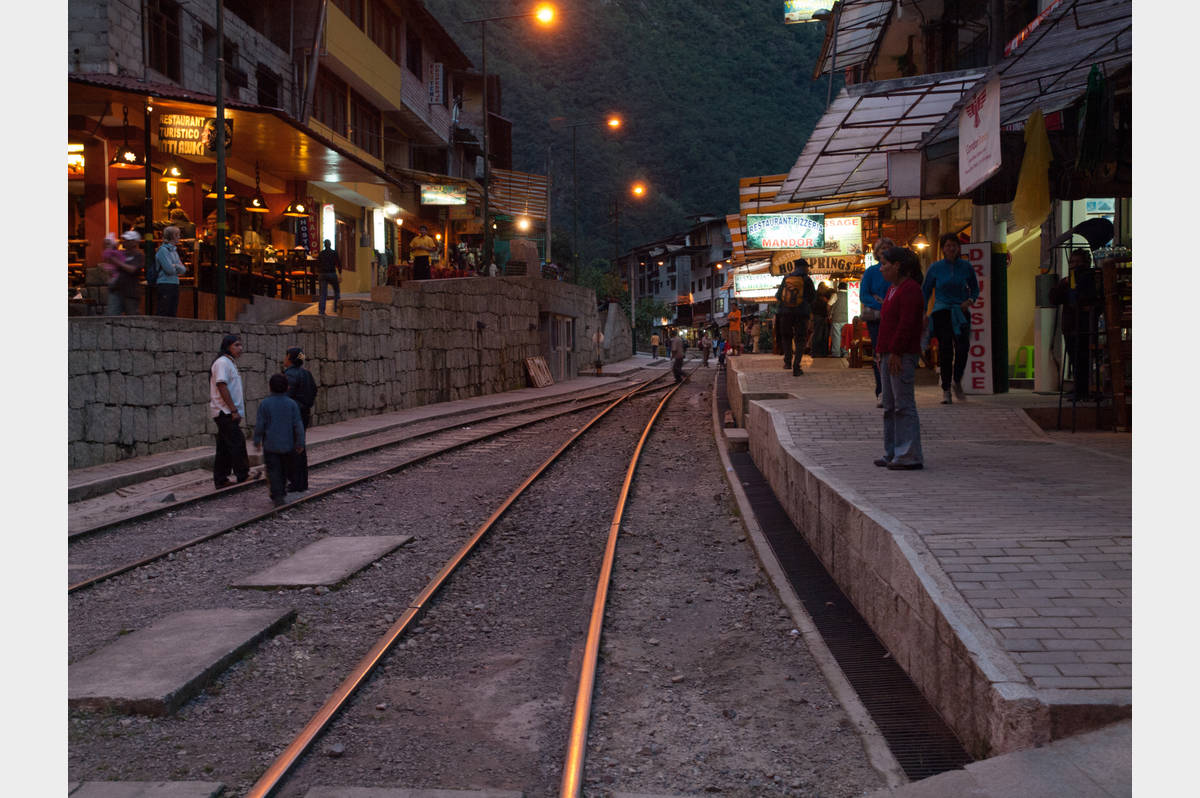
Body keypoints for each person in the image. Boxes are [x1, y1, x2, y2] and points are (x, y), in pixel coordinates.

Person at [875, 247, 925, 471]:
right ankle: (892, 452)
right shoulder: (892, 289)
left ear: (898, 266)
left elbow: (907, 324)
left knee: (903, 404)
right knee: (889, 405)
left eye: (885, 263)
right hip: (888, 353)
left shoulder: (911, 290)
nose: (881, 268)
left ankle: (909, 454)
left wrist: (895, 351)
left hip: (900, 354)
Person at [923, 233, 979, 404]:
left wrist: (970, 300)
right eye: (947, 245)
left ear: (958, 247)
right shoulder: (935, 268)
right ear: (942, 249)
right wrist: (923, 313)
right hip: (941, 313)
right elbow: (925, 291)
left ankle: (957, 380)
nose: (951, 248)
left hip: (960, 312)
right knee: (946, 350)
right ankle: (946, 389)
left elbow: (975, 289)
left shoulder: (966, 267)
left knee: (963, 348)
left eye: (954, 245)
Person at [1048, 248, 1100, 401]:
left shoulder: (1090, 278)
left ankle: (1084, 390)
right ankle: (1079, 388)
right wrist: (1062, 285)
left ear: (1085, 263)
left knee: (1084, 359)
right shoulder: (1068, 280)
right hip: (1070, 326)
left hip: (1085, 326)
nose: (1074, 265)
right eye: (1072, 262)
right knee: (1075, 359)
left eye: (1078, 262)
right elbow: (1054, 299)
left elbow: (1092, 299)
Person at [253, 373, 306, 507]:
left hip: (270, 445)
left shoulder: (265, 404)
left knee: (273, 470)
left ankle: (277, 494)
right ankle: (281, 491)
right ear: (287, 387)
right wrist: (300, 442)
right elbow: (298, 425)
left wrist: (257, 440)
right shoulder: (292, 404)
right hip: (288, 445)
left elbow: (260, 424)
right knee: (284, 470)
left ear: (270, 387)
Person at [211, 334, 251, 488]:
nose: (240, 348)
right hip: (224, 411)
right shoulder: (222, 363)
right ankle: (243, 474)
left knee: (224, 447)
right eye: (236, 345)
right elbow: (222, 385)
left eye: (240, 345)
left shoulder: (230, 363)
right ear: (227, 346)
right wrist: (233, 409)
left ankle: (221, 479)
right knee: (237, 442)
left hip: (227, 411)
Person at [861, 238, 894, 407]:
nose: (884, 251)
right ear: (876, 253)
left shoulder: (897, 271)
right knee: (879, 354)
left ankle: (892, 390)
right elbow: (864, 294)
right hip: (876, 319)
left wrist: (888, 305)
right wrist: (879, 306)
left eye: (888, 248)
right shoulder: (871, 272)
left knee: (894, 352)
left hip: (894, 317)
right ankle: (881, 390)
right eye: (882, 249)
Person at [282, 346, 318, 492]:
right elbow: (314, 391)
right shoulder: (307, 374)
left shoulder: (289, 375)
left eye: (286, 356)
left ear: (290, 358)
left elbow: (285, 397)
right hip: (304, 414)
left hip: (292, 416)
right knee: (300, 447)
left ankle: (295, 482)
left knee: (292, 449)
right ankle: (302, 481)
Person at [774, 259, 816, 376]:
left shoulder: (786, 279)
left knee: (787, 338)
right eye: (807, 267)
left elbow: (778, 296)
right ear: (804, 268)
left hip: (785, 313)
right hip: (801, 314)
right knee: (800, 339)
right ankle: (796, 366)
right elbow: (813, 297)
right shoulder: (807, 280)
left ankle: (787, 362)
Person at [153, 226, 187, 317]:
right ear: (172, 236)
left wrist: (175, 266)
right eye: (178, 235)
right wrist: (177, 266)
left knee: (172, 311)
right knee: (164, 311)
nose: (179, 237)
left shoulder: (174, 251)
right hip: (165, 284)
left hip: (175, 283)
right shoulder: (163, 251)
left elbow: (183, 270)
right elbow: (169, 270)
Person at [104, 233, 141, 316]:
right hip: (117, 290)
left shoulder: (138, 255)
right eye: (124, 240)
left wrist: (116, 261)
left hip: (131, 292)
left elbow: (132, 269)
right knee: (111, 316)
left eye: (127, 240)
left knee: (132, 318)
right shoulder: (120, 253)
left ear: (134, 242)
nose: (124, 242)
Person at [317, 239, 342, 315]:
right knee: (337, 291)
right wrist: (340, 274)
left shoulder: (321, 254)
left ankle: (321, 311)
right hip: (332, 273)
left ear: (324, 245)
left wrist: (319, 273)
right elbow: (338, 264)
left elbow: (318, 264)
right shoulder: (334, 253)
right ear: (330, 245)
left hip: (322, 274)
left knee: (323, 293)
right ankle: (336, 308)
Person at [811, 285, 832, 357]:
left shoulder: (816, 296)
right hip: (820, 317)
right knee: (821, 335)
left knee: (820, 335)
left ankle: (818, 352)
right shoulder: (821, 297)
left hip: (819, 317)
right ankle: (820, 352)